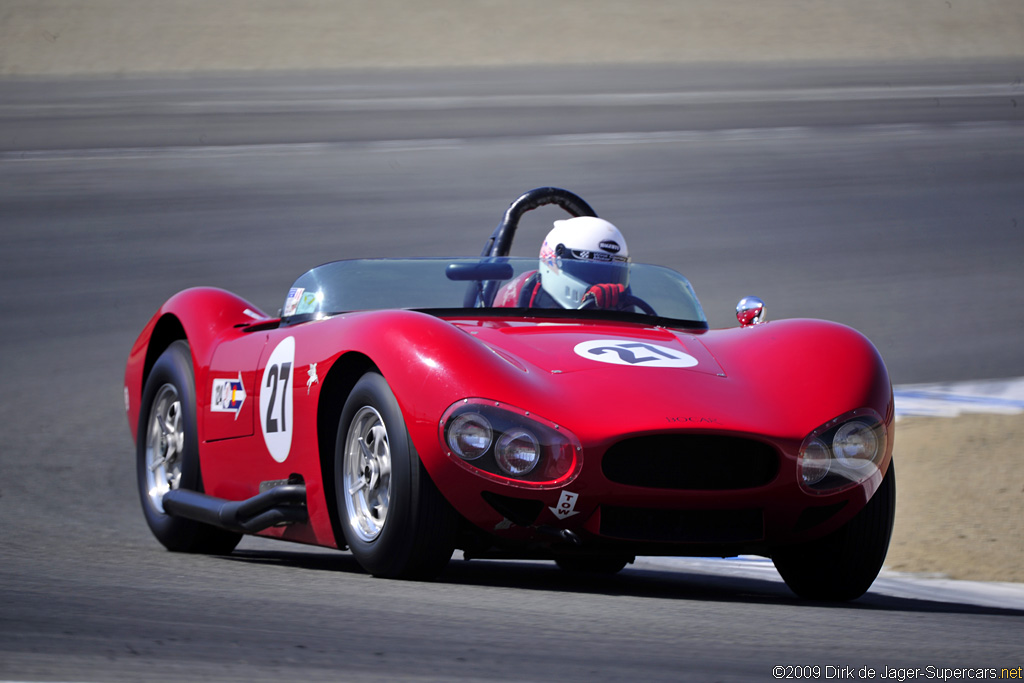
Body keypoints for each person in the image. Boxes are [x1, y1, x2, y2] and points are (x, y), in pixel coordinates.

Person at [493, 216, 631, 309]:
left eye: (612, 274)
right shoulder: (517, 302)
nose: (605, 287)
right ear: (554, 262)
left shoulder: (621, 301)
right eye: (594, 272)